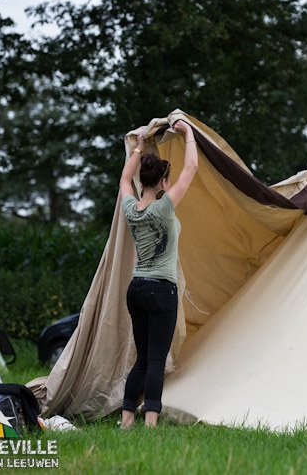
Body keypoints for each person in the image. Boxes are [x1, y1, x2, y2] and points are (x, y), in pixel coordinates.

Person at [118, 119, 198, 429]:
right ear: (164, 182)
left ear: (142, 180)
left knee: (141, 359)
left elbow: (124, 178)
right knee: (155, 359)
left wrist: (139, 145)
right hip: (162, 290)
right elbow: (191, 168)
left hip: (137, 288)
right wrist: (188, 133)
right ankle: (150, 422)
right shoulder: (164, 208)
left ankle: (126, 420)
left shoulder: (131, 208)